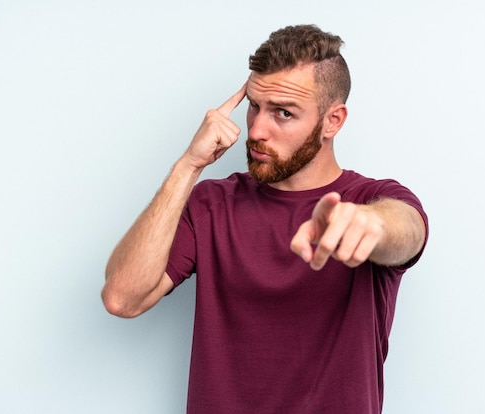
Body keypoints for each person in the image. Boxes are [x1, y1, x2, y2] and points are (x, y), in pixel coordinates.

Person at [102, 24, 428, 414]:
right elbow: (122, 299)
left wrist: (371, 225)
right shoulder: (212, 204)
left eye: (283, 113)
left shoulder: (372, 200)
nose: (255, 130)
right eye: (254, 105)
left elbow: (406, 230)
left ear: (333, 121)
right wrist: (189, 165)